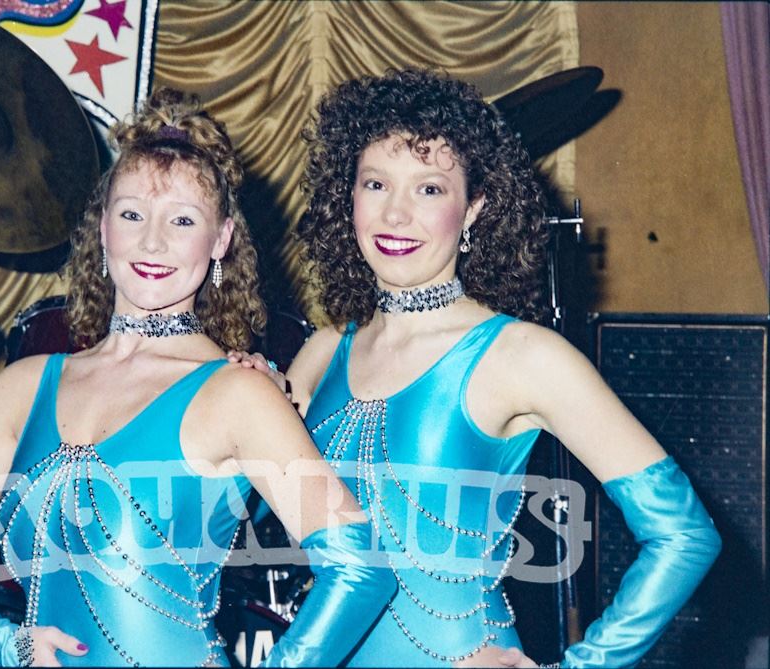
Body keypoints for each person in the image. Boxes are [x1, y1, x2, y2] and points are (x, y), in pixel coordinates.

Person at [232, 68, 721, 668]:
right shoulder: (323, 350)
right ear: (347, 199)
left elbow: (684, 537)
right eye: (376, 184)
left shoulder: (522, 355)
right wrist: (245, 398)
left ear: (473, 210)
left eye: (430, 189)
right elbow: (247, 527)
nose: (396, 214)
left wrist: (582, 666)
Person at [0, 89, 395, 667]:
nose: (152, 241)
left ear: (221, 240)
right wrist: (7, 644)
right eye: (132, 213)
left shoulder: (238, 391)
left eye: (182, 220)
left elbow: (358, 564)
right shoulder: (24, 385)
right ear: (103, 228)